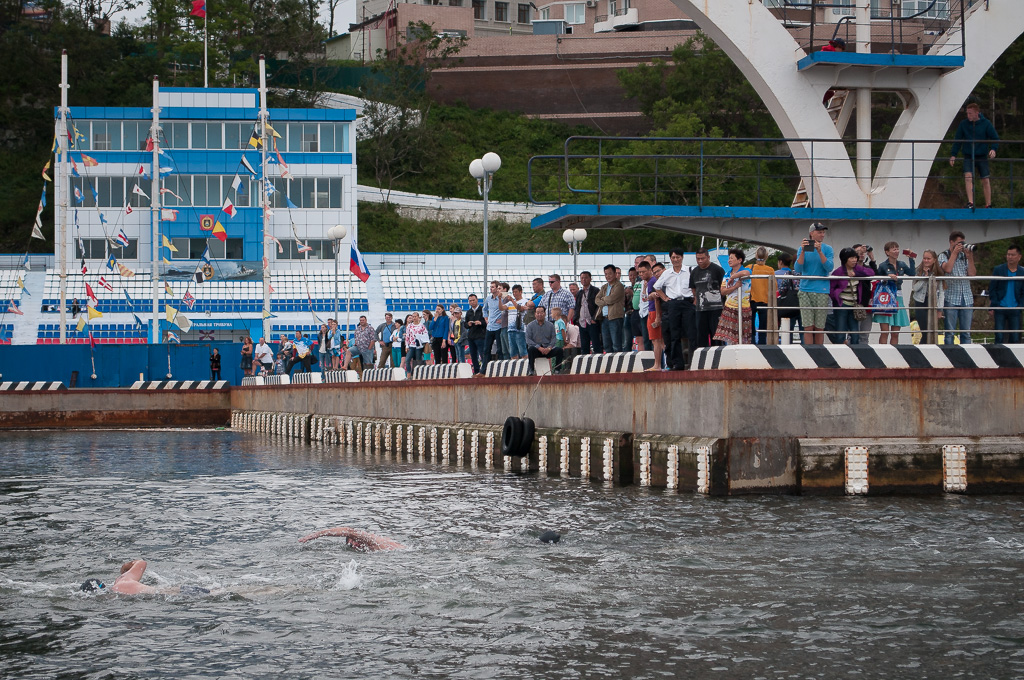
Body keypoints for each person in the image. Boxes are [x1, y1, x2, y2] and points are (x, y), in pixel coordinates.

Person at [653, 248, 697, 370]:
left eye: (678, 257)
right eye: (673, 257)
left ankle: (694, 362)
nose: (675, 259)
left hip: (687, 303)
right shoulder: (666, 273)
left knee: (691, 333)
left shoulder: (689, 270)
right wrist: (664, 297)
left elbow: (696, 286)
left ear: (682, 258)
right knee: (674, 334)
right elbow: (656, 286)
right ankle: (678, 363)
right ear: (670, 259)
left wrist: (695, 300)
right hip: (673, 304)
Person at [949, 102, 1000, 209]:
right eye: (967, 113)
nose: (968, 116)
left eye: (970, 113)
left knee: (985, 180)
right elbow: (958, 140)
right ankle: (970, 202)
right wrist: (953, 155)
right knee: (968, 177)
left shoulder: (986, 123)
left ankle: (988, 204)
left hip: (981, 155)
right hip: (968, 155)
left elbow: (995, 138)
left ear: (977, 113)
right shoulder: (963, 124)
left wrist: (993, 149)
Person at [794, 222, 834, 345]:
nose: (822, 235)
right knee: (807, 326)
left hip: (821, 290)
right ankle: (809, 352)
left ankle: (819, 353)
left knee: (819, 327)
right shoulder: (803, 248)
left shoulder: (827, 249)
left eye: (823, 232)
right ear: (812, 233)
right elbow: (798, 268)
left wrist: (820, 251)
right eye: (819, 232)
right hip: (805, 289)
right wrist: (802, 252)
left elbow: (829, 267)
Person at [829, 247, 875, 345]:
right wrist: (836, 299)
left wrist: (856, 274)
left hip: (854, 306)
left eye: (855, 257)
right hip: (842, 305)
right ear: (845, 259)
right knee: (840, 333)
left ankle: (854, 355)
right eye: (851, 258)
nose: (854, 260)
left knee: (855, 334)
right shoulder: (839, 271)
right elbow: (831, 287)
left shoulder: (857, 269)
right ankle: (840, 355)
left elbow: (871, 272)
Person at [938, 231, 976, 345]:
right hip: (951, 297)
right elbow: (947, 269)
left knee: (966, 332)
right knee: (950, 332)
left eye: (963, 243)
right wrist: (954, 253)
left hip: (967, 297)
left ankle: (967, 358)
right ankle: (950, 356)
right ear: (951, 242)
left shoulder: (964, 256)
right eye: (959, 243)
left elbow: (972, 274)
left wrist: (970, 258)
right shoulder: (943, 255)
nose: (961, 245)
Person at [874, 242, 916, 345]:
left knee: (895, 333)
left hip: (898, 295)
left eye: (897, 249)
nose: (896, 251)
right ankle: (882, 353)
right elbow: (877, 279)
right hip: (886, 297)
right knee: (885, 332)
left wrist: (911, 259)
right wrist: (887, 278)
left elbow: (912, 273)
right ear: (887, 252)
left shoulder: (902, 264)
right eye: (893, 249)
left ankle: (894, 353)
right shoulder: (883, 265)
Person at [713, 249, 753, 346]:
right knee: (729, 336)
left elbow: (746, 274)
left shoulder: (746, 270)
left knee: (744, 335)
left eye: (732, 258)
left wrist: (733, 277)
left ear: (739, 260)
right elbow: (722, 291)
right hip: (729, 307)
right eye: (729, 258)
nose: (729, 260)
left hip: (743, 307)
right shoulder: (726, 274)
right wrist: (735, 287)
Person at [689, 248, 725, 348]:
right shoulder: (694, 271)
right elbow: (693, 288)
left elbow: (724, 286)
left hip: (716, 308)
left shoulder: (718, 270)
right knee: (701, 335)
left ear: (708, 257)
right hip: (701, 309)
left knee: (716, 335)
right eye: (698, 259)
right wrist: (697, 300)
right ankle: (703, 357)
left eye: (702, 258)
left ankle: (717, 357)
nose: (700, 261)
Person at [988, 244, 1024, 344]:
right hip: (1000, 308)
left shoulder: (1022, 272)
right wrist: (994, 305)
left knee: (1015, 337)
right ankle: (998, 358)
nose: (1010, 257)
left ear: (1019, 257)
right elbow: (992, 288)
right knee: (999, 336)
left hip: (1016, 308)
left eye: (1013, 255)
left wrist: (1020, 305)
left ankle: (1014, 359)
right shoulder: (998, 270)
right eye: (1008, 254)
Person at [910, 250, 944, 344]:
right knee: (925, 331)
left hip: (933, 302)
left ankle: (930, 350)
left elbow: (941, 292)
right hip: (920, 302)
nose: (926, 261)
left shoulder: (939, 272)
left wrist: (940, 309)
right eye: (924, 258)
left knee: (933, 330)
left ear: (934, 260)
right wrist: (925, 277)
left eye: (928, 259)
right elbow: (915, 288)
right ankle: (923, 351)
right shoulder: (918, 270)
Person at [524, 305, 564, 376]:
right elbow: (528, 340)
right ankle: (531, 370)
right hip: (537, 350)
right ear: (535, 314)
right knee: (530, 349)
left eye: (541, 312)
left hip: (547, 349)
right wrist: (539, 347)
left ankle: (557, 370)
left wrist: (549, 348)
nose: (539, 314)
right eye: (538, 313)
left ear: (545, 314)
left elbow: (554, 338)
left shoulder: (551, 325)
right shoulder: (530, 326)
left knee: (559, 350)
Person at [595, 264, 625, 353]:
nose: (608, 276)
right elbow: (596, 299)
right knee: (606, 345)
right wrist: (605, 300)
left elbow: (612, 299)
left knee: (616, 344)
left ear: (615, 274)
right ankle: (609, 364)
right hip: (604, 318)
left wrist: (603, 299)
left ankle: (618, 364)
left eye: (610, 273)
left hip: (615, 317)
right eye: (606, 274)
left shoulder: (619, 286)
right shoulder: (604, 286)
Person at [299, 527, 405, 552]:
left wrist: (318, 534)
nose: (355, 546)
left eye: (353, 542)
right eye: (351, 545)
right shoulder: (373, 544)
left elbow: (348, 531)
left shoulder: (370, 540)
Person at [748, 247, 775, 345]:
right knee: (763, 326)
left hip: (751, 300)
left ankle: (751, 343)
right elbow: (774, 287)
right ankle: (762, 344)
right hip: (765, 300)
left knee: (750, 325)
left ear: (756, 255)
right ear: (767, 257)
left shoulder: (750, 267)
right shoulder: (770, 270)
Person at [642, 261, 665, 371]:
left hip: (654, 312)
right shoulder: (649, 282)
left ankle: (657, 365)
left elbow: (656, 298)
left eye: (643, 272)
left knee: (656, 340)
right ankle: (660, 364)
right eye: (639, 272)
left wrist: (657, 317)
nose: (641, 274)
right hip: (652, 311)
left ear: (649, 271)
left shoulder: (652, 282)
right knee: (657, 340)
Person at [775, 253, 802, 343]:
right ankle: (806, 348)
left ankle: (788, 346)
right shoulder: (805, 274)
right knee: (804, 330)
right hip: (803, 304)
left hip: (790, 305)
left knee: (788, 329)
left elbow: (782, 290)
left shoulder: (788, 274)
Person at [574, 271, 602, 355]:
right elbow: (577, 307)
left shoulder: (595, 290)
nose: (584, 280)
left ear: (590, 279)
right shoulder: (579, 293)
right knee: (584, 345)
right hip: (582, 322)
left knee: (596, 344)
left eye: (586, 277)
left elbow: (599, 306)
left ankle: (598, 362)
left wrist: (595, 318)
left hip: (592, 322)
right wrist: (577, 320)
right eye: (582, 278)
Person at [482, 281, 504, 371]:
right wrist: (486, 319)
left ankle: (501, 369)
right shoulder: (488, 299)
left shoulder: (502, 298)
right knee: (486, 349)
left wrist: (502, 319)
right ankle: (484, 370)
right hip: (490, 327)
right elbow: (484, 309)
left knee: (500, 349)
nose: (491, 289)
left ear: (497, 288)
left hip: (498, 327)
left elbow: (506, 310)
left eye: (493, 287)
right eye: (490, 287)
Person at [820, 37, 845, 105]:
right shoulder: (833, 54)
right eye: (841, 49)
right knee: (830, 93)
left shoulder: (825, 51)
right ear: (839, 47)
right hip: (824, 77)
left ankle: (820, 103)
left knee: (829, 93)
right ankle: (820, 103)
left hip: (821, 76)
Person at [506, 285, 528, 360]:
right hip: (510, 329)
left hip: (520, 329)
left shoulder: (525, 301)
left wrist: (512, 300)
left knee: (523, 351)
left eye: (516, 292)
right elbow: (501, 308)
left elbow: (520, 308)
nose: (514, 294)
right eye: (513, 292)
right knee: (512, 352)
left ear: (520, 292)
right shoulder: (509, 303)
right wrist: (499, 299)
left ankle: (526, 367)